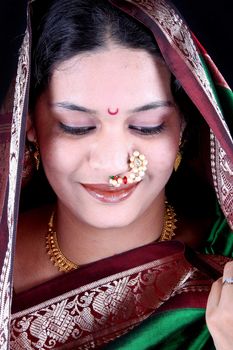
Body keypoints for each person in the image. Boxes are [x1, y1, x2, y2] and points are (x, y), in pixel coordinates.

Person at [0, 0, 232, 349]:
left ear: (183, 125)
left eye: (146, 126)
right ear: (29, 123)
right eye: (77, 127)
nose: (112, 163)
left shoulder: (221, 270)